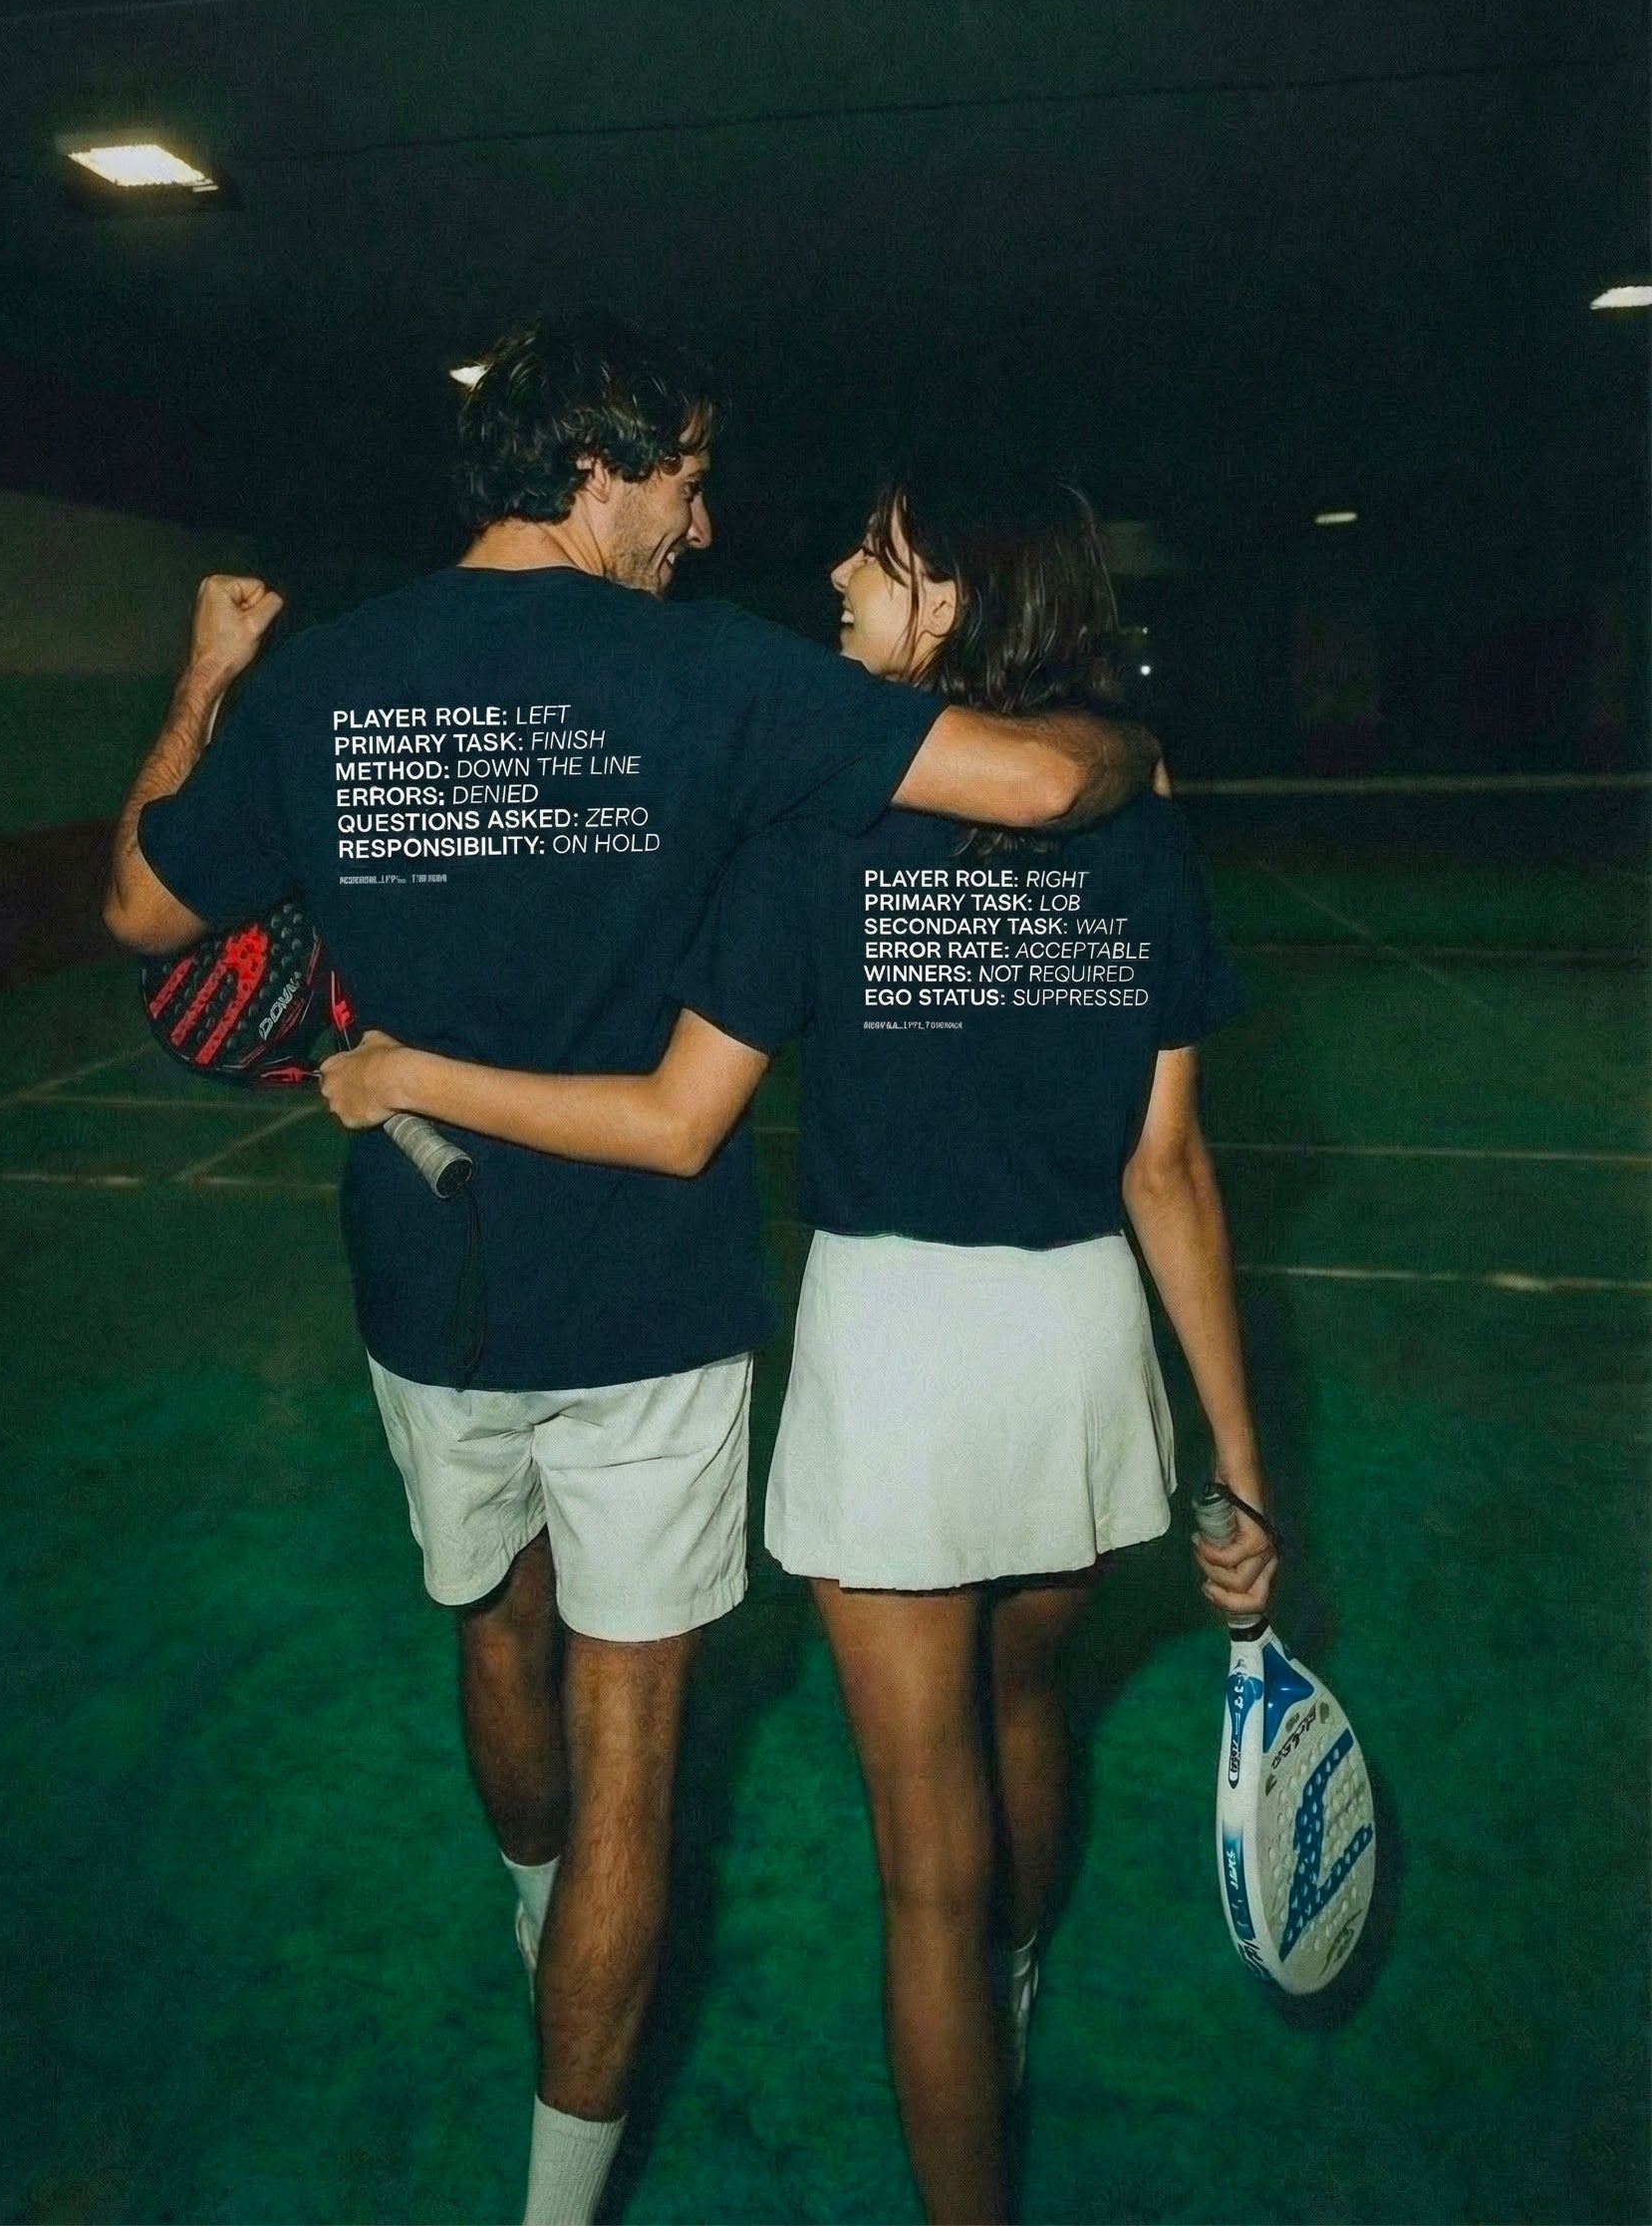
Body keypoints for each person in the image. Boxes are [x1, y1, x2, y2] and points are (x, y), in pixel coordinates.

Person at [102, 318, 1160, 2225]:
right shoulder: (722, 681)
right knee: (634, 1761)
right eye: (681, 474)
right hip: (652, 1309)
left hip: (425, 1287)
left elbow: (141, 903)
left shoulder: (329, 680)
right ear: (595, 470)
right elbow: (1047, 791)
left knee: (487, 1625)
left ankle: (533, 1911)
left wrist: (203, 678)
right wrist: (1123, 732)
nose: (703, 514)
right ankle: (557, 2185)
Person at [316, 471, 1278, 2224]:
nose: (838, 570)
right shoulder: (1137, 821)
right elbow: (1168, 1167)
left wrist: (412, 1074)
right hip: (1082, 1353)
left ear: (960, 609)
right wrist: (1240, 1460)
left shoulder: (817, 830)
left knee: (924, 1874)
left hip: (901, 1355)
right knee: (1030, 1694)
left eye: (882, 557)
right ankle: (1019, 1981)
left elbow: (681, 1121)